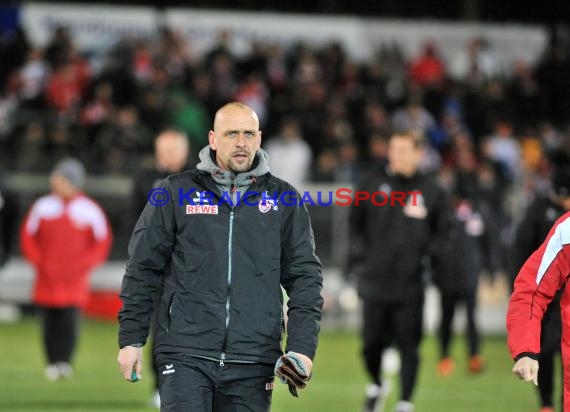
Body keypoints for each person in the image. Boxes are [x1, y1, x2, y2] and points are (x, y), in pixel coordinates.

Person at [117, 102, 323, 412]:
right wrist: (131, 338)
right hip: (185, 353)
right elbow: (142, 267)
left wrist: (302, 349)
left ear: (259, 138)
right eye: (231, 134)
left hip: (254, 358)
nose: (241, 143)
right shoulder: (175, 191)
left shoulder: (285, 199)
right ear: (213, 139)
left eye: (248, 134)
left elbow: (305, 277)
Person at [349, 130, 451, 412]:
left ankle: (405, 402)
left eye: (404, 150)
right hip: (374, 281)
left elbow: (445, 232)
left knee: (409, 346)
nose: (396, 155)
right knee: (370, 346)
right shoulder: (371, 183)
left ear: (418, 153)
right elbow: (354, 224)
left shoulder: (432, 190)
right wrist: (358, 261)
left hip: (411, 284)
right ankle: (377, 384)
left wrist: (430, 257)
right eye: (393, 149)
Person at [20, 158, 112, 380]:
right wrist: (39, 261)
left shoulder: (89, 210)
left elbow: (102, 242)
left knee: (69, 322)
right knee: (49, 322)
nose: (55, 182)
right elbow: (28, 236)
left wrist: (84, 265)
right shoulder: (43, 206)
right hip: (47, 277)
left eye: (60, 178)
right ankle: (52, 362)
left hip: (74, 279)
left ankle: (65, 361)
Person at [131, 129, 191, 409]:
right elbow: (135, 219)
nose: (169, 155)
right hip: (158, 266)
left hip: (192, 266)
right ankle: (161, 385)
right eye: (165, 149)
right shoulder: (145, 179)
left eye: (174, 149)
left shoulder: (196, 177)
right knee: (162, 326)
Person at [509, 166, 570, 412]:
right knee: (545, 350)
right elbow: (530, 291)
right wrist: (525, 349)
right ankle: (546, 404)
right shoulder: (566, 231)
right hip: (553, 304)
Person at [435, 175, 491, 377]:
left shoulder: (478, 214)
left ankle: (474, 356)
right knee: (447, 319)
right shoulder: (445, 214)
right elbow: (437, 243)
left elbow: (487, 243)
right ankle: (444, 357)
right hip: (447, 276)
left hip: (468, 275)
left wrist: (489, 268)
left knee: (471, 319)